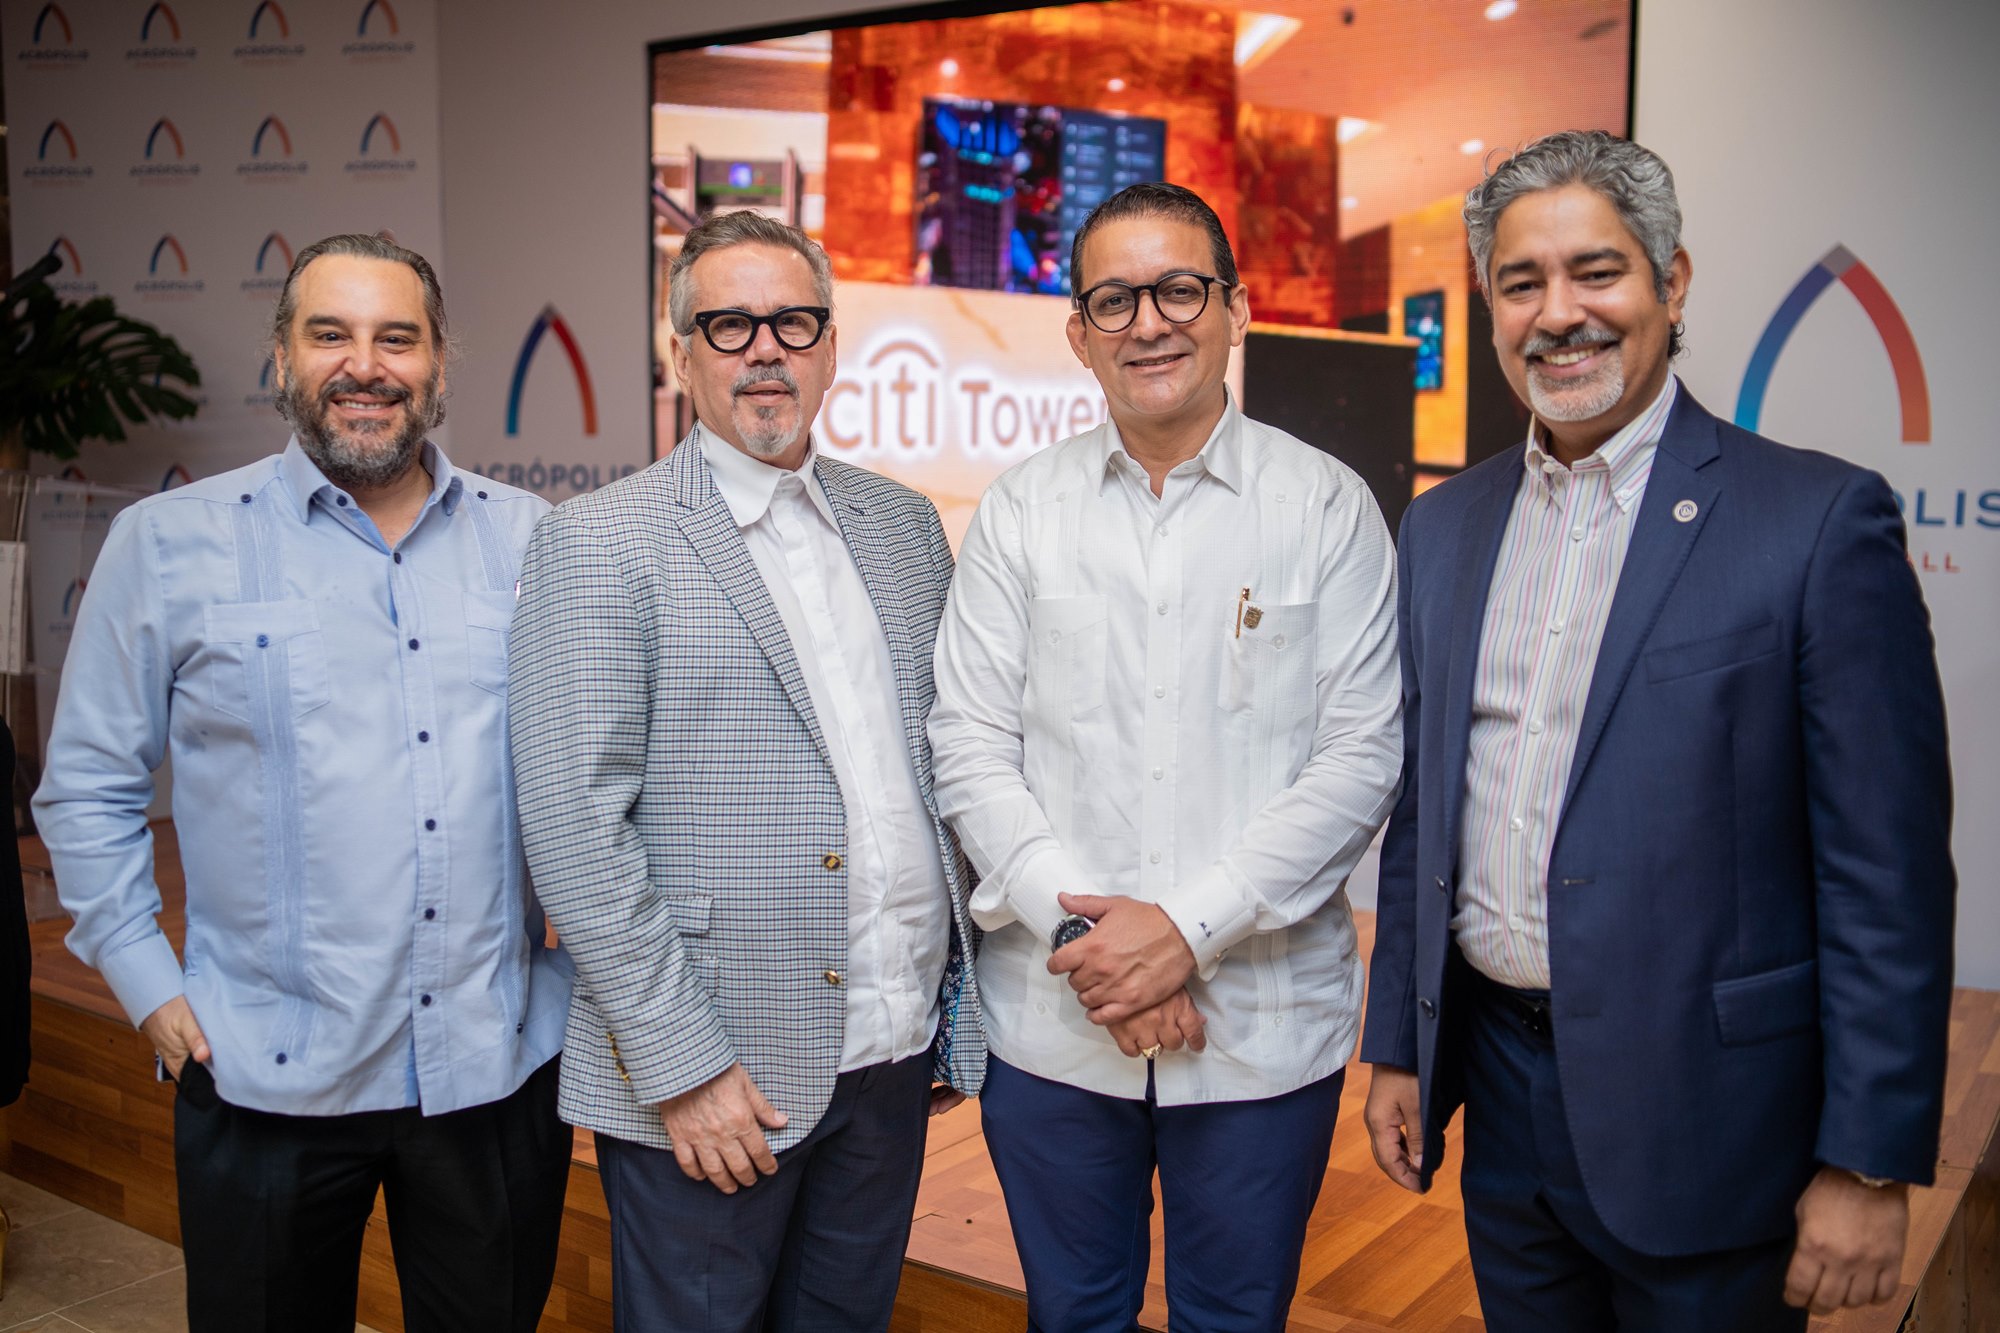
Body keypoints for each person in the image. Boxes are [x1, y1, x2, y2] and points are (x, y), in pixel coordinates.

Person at [1360, 129, 1955, 1330]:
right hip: (1502, 1104)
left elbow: (1883, 874)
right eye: (1520, 283)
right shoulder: (1441, 528)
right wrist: (1399, 1047)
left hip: (1715, 1122)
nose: (1557, 314)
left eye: (1596, 272)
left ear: (1669, 283)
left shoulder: (1813, 521)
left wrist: (1866, 1161)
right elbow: (1426, 814)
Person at [33, 233, 572, 1332]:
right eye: (330, 334)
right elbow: (87, 784)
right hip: (260, 1077)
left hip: (492, 1073)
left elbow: (603, 775)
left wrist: (568, 988)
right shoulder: (167, 544)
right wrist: (148, 983)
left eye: (396, 338)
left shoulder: (538, 542)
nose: (364, 365)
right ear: (281, 357)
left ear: (439, 363)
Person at [930, 181, 1403, 1331]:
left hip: (1256, 1034)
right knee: (1072, 1315)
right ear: (1078, 334)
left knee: (1233, 1319)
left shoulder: (1325, 508)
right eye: (1114, 299)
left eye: (1179, 290)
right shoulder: (1020, 512)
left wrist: (1184, 931)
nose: (1147, 322)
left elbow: (1359, 757)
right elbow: (968, 743)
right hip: (1056, 1027)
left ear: (1235, 310)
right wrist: (1095, 946)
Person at [507, 209, 985, 1333]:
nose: (765, 349)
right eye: (729, 325)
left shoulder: (904, 525)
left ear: (830, 346)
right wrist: (682, 1067)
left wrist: (947, 1005)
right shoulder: (600, 540)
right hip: (718, 1076)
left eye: (793, 322)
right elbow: (573, 829)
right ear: (682, 354)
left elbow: (938, 766)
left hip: (891, 1052)